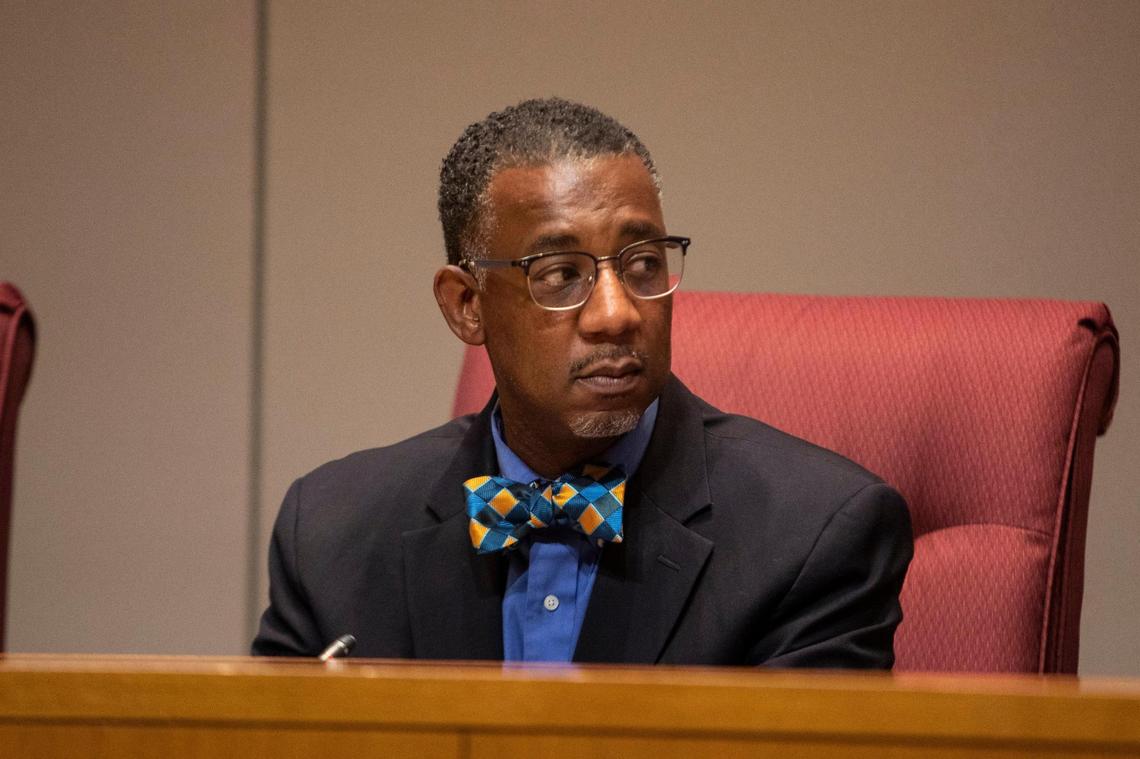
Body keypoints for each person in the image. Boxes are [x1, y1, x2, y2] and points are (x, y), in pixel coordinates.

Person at [252, 98, 913, 667]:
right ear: (467, 305)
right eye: (561, 273)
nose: (618, 312)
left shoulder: (813, 535)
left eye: (644, 263)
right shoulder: (332, 536)